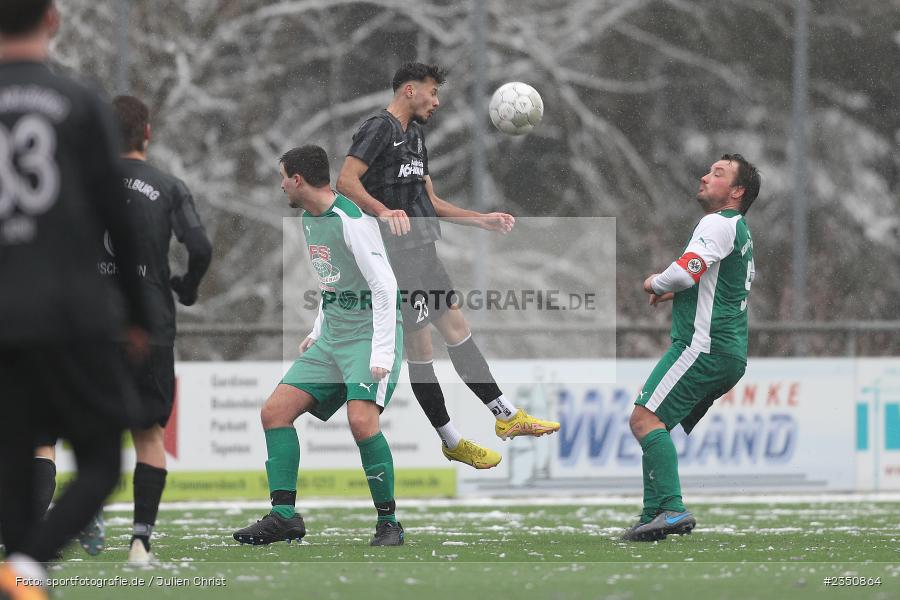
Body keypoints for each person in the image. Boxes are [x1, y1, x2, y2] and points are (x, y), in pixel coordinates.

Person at [336, 62, 559, 470]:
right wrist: (383, 211)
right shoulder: (379, 128)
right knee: (422, 352)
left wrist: (480, 220)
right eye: (432, 92)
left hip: (424, 252)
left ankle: (506, 416)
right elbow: (346, 181)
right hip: (396, 259)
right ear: (408, 90)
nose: (436, 101)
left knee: (458, 332)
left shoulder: (416, 136)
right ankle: (451, 439)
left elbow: (430, 202)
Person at [0, 1, 150, 596]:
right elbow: (119, 217)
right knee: (100, 462)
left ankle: (20, 570)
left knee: (12, 460)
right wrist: (137, 314)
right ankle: (28, 568)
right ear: (53, 20)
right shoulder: (80, 102)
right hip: (72, 311)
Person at [233, 145, 405, 547]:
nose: (280, 186)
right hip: (333, 338)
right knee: (274, 412)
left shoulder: (351, 219)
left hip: (367, 336)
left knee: (362, 423)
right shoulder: (310, 219)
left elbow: (385, 286)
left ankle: (389, 523)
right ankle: (284, 517)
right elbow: (334, 282)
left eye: (282, 177)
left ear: (297, 179)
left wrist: (381, 351)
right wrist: (318, 327)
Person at [622, 154, 760, 542]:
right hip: (725, 351)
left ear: (736, 192)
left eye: (718, 174)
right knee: (654, 422)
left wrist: (655, 283)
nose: (704, 176)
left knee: (644, 420)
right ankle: (654, 514)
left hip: (704, 346)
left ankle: (669, 509)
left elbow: (684, 272)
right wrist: (679, 294)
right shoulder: (739, 229)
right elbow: (715, 281)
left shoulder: (717, 222)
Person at [107, 95, 212, 564]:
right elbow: (201, 246)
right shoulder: (168, 186)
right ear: (147, 133)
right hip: (149, 325)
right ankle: (139, 541)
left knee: (55, 432)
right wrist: (186, 286)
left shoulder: (83, 184)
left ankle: (57, 525)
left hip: (89, 325)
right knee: (149, 436)